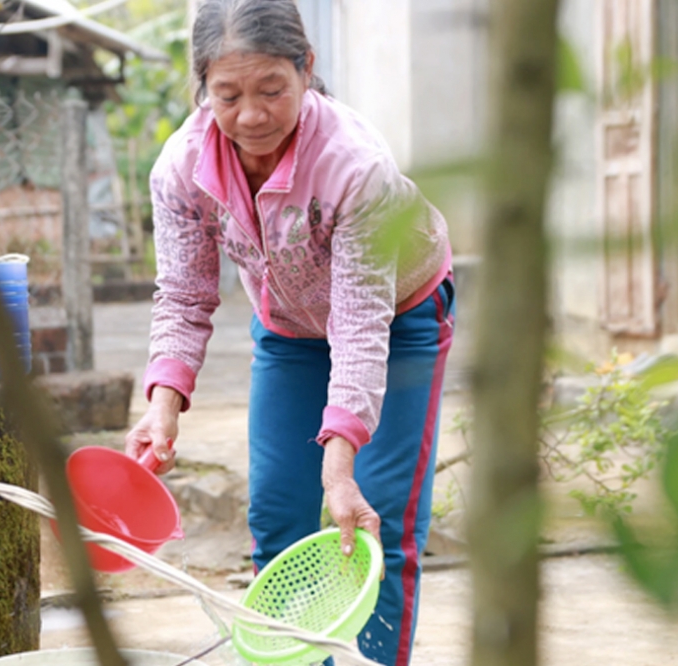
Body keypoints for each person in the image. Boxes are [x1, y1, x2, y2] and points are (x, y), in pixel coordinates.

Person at [124, 1, 453, 663]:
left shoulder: (354, 166)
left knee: (371, 525)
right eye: (228, 95)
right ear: (202, 91)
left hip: (398, 321)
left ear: (307, 69)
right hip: (289, 334)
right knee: (276, 520)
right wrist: (162, 409)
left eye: (272, 89)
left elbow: (361, 321)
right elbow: (185, 295)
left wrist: (340, 465)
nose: (251, 114)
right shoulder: (181, 170)